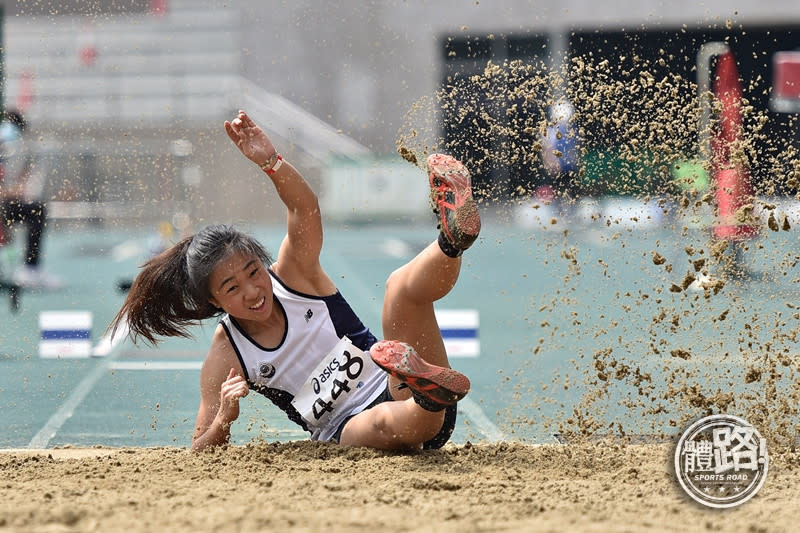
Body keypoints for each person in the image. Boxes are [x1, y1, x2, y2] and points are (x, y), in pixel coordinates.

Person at [110, 109, 482, 451]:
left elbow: (304, 208)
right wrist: (224, 417)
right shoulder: (228, 353)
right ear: (214, 303)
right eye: (233, 289)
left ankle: (450, 243)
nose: (254, 291)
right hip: (360, 427)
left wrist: (271, 163)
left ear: (262, 262)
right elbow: (199, 449)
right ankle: (429, 396)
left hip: (394, 384)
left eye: (253, 272)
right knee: (358, 432)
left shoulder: (294, 276)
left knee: (399, 289)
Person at [0, 109, 63, 289]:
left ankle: (30, 269)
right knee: (36, 209)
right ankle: (30, 269)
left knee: (36, 209)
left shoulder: (8, 152)